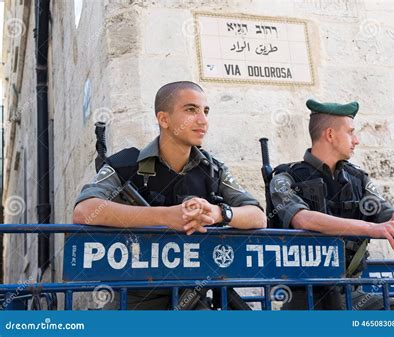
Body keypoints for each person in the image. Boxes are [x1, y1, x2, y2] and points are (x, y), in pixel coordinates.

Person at [73, 81, 266, 309]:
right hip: (134, 300)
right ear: (164, 119)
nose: (202, 120)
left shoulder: (213, 169)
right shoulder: (126, 165)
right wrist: (166, 217)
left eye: (205, 111)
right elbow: (84, 211)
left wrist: (218, 213)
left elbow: (257, 216)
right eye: (191, 110)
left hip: (193, 299)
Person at [269, 98, 394, 310]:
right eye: (351, 132)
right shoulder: (285, 177)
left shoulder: (359, 179)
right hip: (307, 298)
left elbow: (383, 210)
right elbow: (302, 219)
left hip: (352, 293)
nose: (356, 140)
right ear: (330, 134)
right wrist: (372, 228)